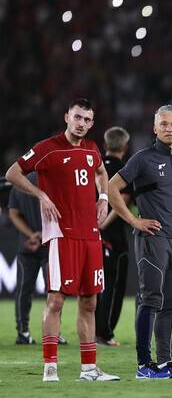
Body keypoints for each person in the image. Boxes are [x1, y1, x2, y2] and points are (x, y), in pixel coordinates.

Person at [5, 98, 119, 382]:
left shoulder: (92, 149)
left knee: (90, 302)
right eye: (77, 117)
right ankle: (50, 368)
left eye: (87, 120)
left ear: (92, 123)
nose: (81, 123)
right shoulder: (48, 148)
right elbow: (12, 173)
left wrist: (103, 196)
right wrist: (41, 195)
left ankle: (89, 369)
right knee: (56, 300)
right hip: (61, 235)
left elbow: (101, 171)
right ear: (67, 117)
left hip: (90, 235)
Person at [108, 105, 172, 379]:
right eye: (164, 124)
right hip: (152, 241)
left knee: (170, 303)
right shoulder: (142, 159)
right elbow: (111, 187)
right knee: (151, 300)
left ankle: (166, 363)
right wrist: (133, 221)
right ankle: (144, 365)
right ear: (155, 128)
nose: (169, 129)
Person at [9, 173, 68, 346]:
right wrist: (43, 234)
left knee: (24, 290)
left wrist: (31, 234)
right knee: (54, 291)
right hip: (51, 244)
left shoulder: (19, 183)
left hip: (27, 244)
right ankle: (54, 333)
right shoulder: (56, 180)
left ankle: (23, 333)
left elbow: (13, 213)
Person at [95, 126, 132, 347]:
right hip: (114, 237)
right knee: (113, 285)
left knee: (93, 285)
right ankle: (105, 333)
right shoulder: (124, 169)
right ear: (125, 147)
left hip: (91, 236)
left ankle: (93, 330)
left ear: (105, 145)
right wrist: (103, 224)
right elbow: (123, 200)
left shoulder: (95, 167)